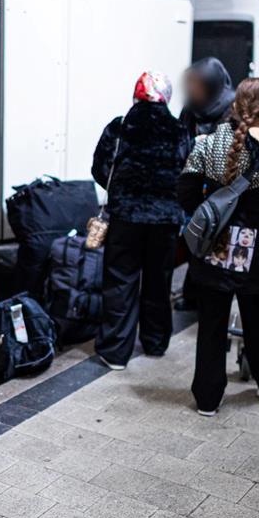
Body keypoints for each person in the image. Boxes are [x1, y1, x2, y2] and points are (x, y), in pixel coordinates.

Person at [178, 78, 259, 415]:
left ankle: (207, 399)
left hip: (214, 248)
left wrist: (208, 216)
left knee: (211, 323)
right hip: (258, 253)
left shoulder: (209, 142)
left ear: (235, 107)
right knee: (256, 318)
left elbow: (186, 189)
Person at [90, 71, 186, 370]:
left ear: (137, 94)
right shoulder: (179, 130)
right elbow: (188, 174)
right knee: (159, 280)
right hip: (166, 219)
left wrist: (123, 191)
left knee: (120, 280)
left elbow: (100, 169)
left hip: (126, 217)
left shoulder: (120, 127)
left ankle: (116, 352)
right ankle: (156, 342)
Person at [174, 57, 235, 310]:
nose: (192, 91)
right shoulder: (191, 109)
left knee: (211, 243)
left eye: (198, 86)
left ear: (213, 85)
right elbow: (180, 138)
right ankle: (192, 295)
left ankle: (205, 298)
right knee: (195, 240)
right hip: (192, 183)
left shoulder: (231, 109)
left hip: (218, 187)